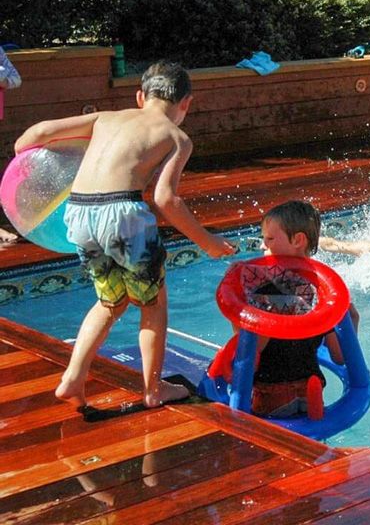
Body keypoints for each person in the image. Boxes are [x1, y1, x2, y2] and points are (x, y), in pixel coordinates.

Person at [13, 61, 236, 409]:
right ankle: (152, 390)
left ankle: (73, 377)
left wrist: (23, 159)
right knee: (154, 303)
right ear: (186, 103)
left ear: (139, 97)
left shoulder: (106, 117)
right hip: (123, 214)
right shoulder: (178, 137)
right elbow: (166, 199)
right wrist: (207, 242)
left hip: (79, 214)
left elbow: (37, 134)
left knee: (111, 301)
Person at [250, 201, 357, 419]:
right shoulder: (321, 291)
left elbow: (252, 351)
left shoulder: (266, 289)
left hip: (270, 392)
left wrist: (245, 315)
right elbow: (339, 357)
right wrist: (353, 318)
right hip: (311, 389)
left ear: (298, 240)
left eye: (269, 239)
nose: (263, 245)